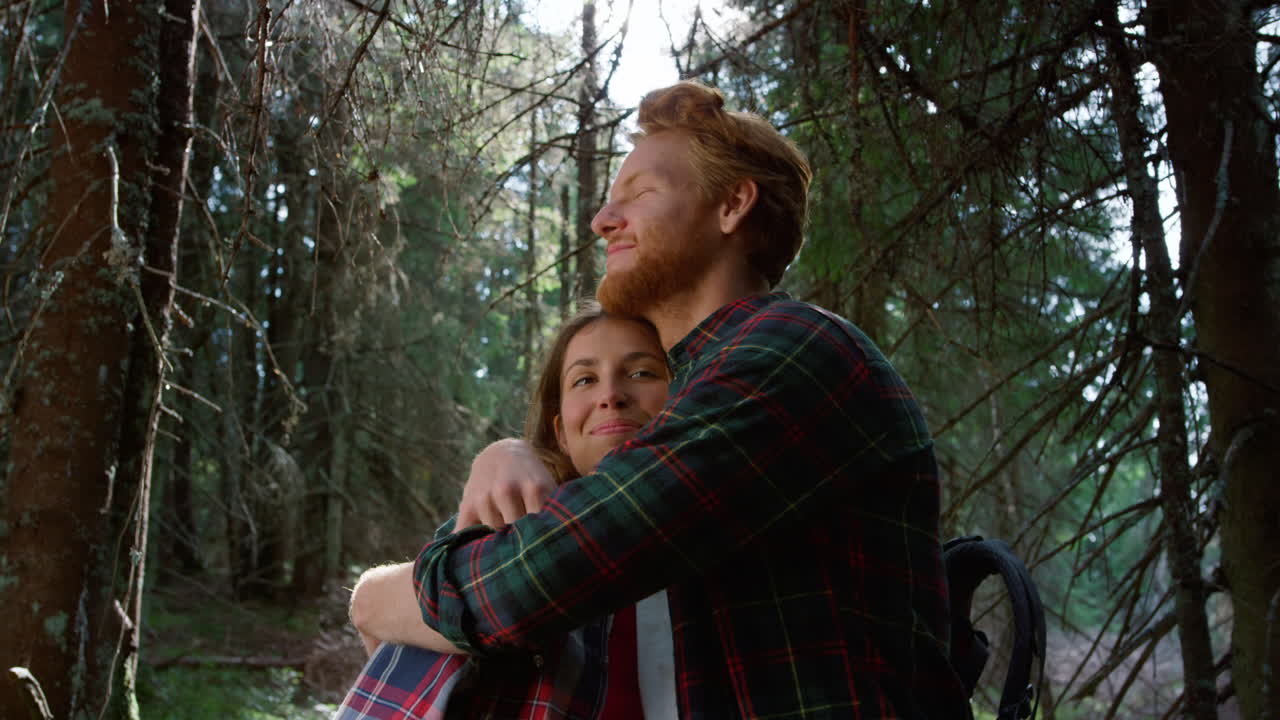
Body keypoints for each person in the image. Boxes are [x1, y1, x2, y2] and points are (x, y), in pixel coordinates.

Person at [351, 80, 969, 718]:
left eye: (640, 193)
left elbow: (525, 584)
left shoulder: (793, 351)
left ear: (733, 205)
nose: (602, 220)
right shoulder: (698, 387)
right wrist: (514, 454)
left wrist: (375, 596)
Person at [341, 305, 677, 718]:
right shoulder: (515, 521)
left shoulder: (722, 530)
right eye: (585, 379)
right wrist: (505, 453)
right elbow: (377, 609)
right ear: (561, 434)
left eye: (641, 372)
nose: (611, 395)